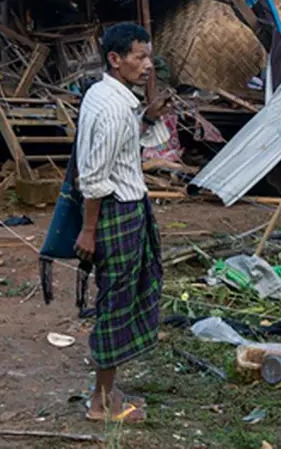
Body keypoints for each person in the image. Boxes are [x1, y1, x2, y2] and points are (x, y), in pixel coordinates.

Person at [74, 22, 171, 423]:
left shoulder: (104, 95)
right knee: (116, 304)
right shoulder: (114, 109)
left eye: (149, 57)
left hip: (124, 208)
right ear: (115, 59)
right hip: (118, 212)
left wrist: (147, 119)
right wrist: (89, 230)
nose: (148, 66)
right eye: (139, 57)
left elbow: (121, 149)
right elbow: (95, 177)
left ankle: (107, 391)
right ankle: (101, 404)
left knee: (119, 298)